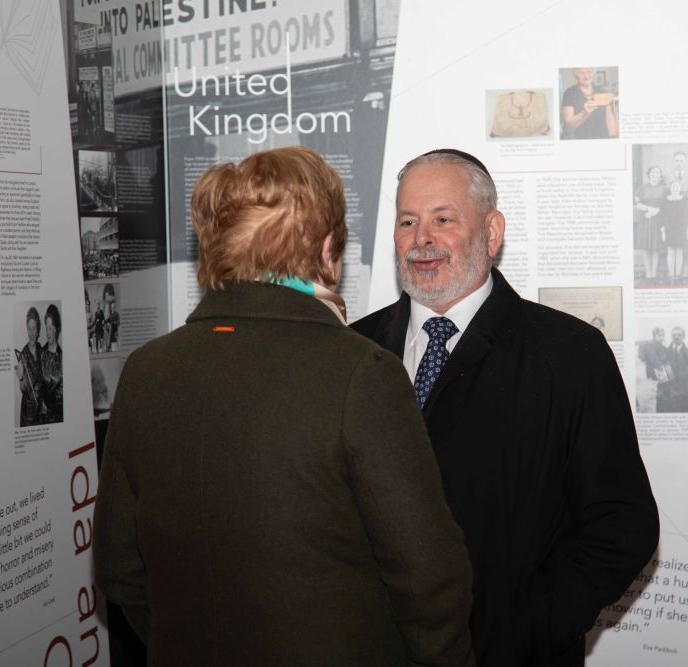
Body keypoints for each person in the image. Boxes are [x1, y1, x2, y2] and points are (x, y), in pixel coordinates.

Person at [93, 146, 475, 667]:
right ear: (326, 250)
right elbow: (430, 581)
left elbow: (119, 570)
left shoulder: (144, 371)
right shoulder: (362, 374)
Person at [352, 149, 658, 666]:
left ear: (491, 233)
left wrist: (527, 630)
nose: (421, 239)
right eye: (408, 221)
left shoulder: (568, 354)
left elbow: (621, 524)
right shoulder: (354, 352)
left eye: (442, 219)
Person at [560, 67, 618, 140]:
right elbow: (568, 127)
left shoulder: (602, 92)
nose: (586, 76)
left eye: (589, 72)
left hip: (603, 139)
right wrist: (585, 113)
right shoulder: (569, 93)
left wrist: (613, 137)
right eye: (582, 73)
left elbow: (609, 118)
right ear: (576, 74)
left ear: (593, 73)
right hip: (580, 140)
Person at [634, 165, 666, 283]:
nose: (655, 175)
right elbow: (637, 203)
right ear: (649, 174)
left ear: (660, 175)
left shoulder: (664, 188)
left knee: (655, 246)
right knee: (646, 246)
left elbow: (665, 205)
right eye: (653, 172)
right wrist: (649, 209)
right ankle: (648, 273)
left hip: (657, 220)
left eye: (657, 173)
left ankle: (654, 273)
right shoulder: (642, 187)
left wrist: (656, 211)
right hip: (645, 219)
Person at [14, 307, 44, 426]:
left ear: (37, 331)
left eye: (34, 328)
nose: (31, 333)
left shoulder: (42, 352)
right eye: (29, 328)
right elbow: (22, 388)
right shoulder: (23, 354)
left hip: (41, 409)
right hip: (28, 413)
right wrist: (21, 378)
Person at [657, 326, 688, 413]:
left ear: (684, 336)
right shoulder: (663, 352)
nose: (676, 337)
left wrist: (671, 375)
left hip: (682, 395)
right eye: (674, 335)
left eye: (679, 335)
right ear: (671, 336)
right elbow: (661, 375)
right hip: (666, 395)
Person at [661, 179, 688, 284]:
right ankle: (671, 275)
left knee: (679, 252)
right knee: (671, 251)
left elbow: (686, 216)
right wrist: (663, 230)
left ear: (680, 188)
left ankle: (678, 275)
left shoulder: (685, 200)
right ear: (670, 188)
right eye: (673, 187)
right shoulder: (665, 200)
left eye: (677, 187)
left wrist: (687, 230)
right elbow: (662, 216)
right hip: (669, 229)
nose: (675, 189)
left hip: (681, 229)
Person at [39, 304, 63, 423]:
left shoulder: (62, 357)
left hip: (59, 419)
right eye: (46, 328)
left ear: (56, 329)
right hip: (43, 420)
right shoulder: (40, 354)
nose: (47, 332)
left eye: (50, 328)